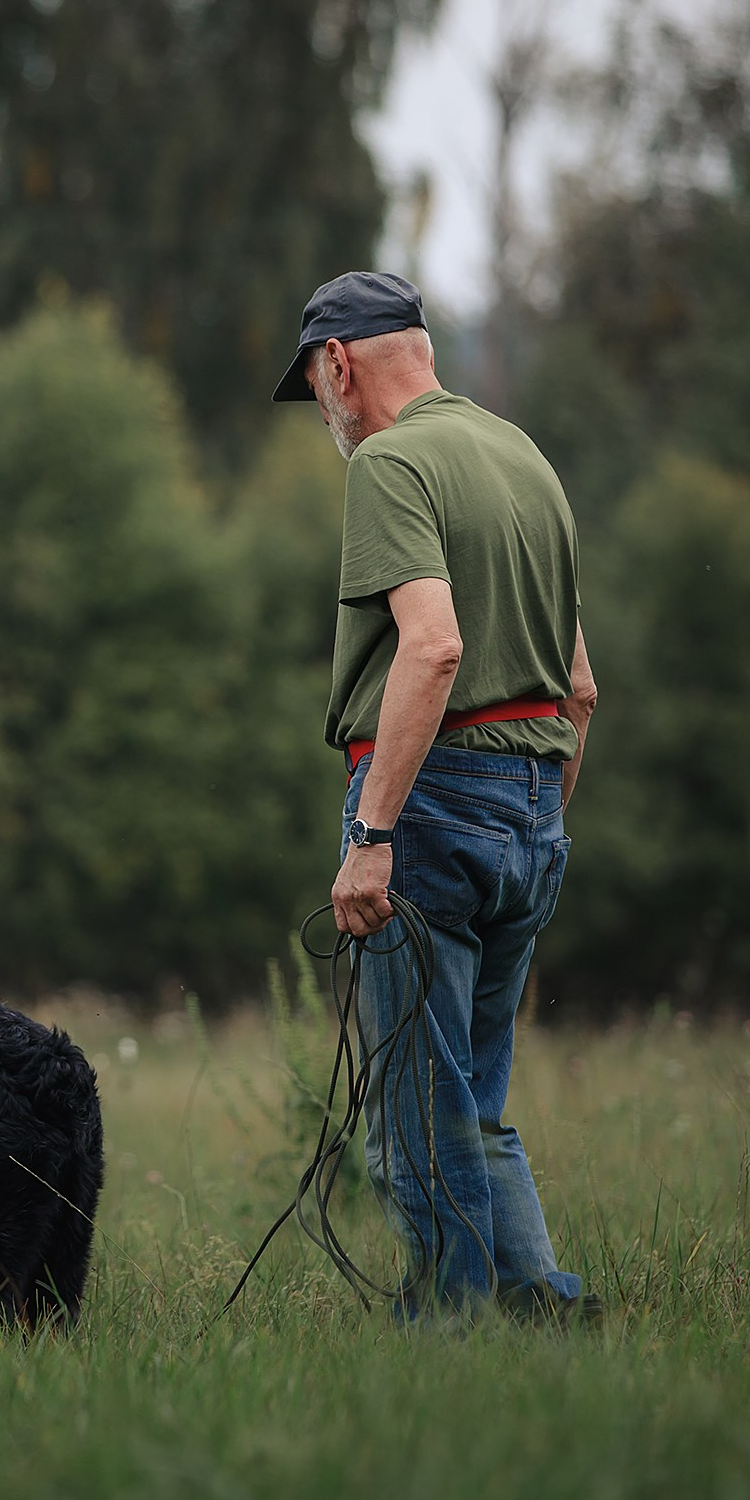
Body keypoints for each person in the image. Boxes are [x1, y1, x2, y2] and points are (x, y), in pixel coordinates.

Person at [271, 270, 602, 1325]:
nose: (327, 413)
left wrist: (373, 832)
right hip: (532, 800)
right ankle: (540, 1308)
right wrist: (538, 823)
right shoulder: (521, 457)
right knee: (474, 1098)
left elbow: (435, 645)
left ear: (337, 365)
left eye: (319, 390)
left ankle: (452, 1332)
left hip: (430, 803)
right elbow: (579, 684)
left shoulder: (390, 464)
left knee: (415, 1108)